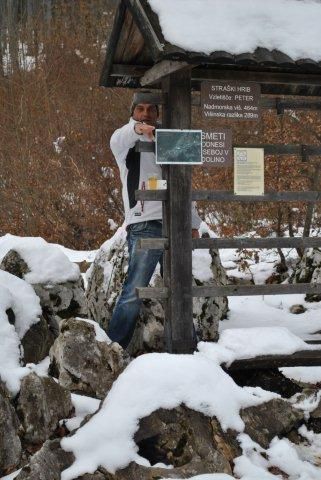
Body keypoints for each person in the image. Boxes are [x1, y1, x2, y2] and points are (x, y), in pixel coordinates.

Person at [107, 92, 201, 349]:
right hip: (143, 223)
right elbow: (124, 135)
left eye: (151, 109)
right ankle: (113, 349)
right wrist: (138, 129)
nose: (146, 114)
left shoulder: (168, 140)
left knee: (179, 288)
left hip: (176, 222)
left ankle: (187, 346)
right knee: (134, 291)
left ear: (158, 113)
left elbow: (183, 182)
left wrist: (193, 223)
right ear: (133, 112)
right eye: (140, 109)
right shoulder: (123, 140)